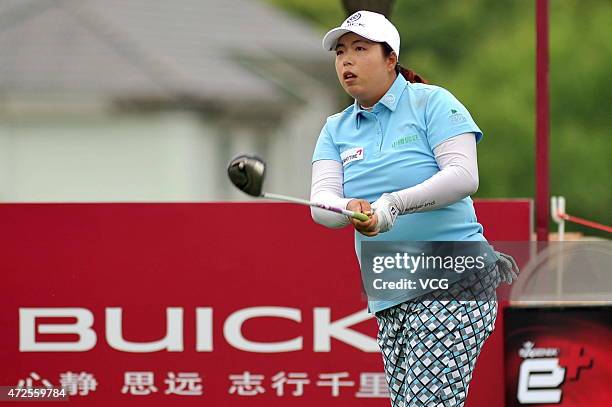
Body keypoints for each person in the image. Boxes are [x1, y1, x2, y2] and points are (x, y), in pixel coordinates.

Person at [310, 10, 519, 407]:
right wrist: (348, 207)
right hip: (391, 286)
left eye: (359, 48)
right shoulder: (335, 128)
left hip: (454, 278)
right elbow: (322, 203)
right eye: (340, 52)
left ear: (391, 59)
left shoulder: (432, 103)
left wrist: (392, 205)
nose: (346, 61)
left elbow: (462, 175)